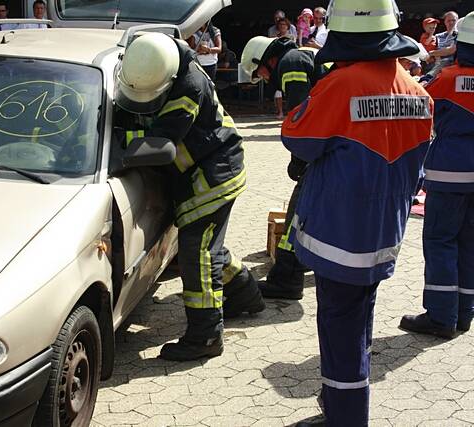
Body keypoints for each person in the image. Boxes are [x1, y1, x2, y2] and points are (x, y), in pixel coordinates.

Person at [279, 0, 433, 424]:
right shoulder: (419, 93)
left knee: (339, 332)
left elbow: (297, 138)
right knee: (358, 323)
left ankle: (345, 417)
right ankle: (343, 404)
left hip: (337, 237)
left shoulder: (340, 86)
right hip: (384, 237)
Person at [115, 32, 265, 361]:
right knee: (209, 248)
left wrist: (118, 148)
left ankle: (206, 336)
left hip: (213, 176)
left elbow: (160, 144)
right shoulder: (149, 59)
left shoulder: (188, 87)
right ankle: (246, 294)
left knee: (198, 255)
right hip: (207, 167)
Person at [400, 11, 474, 339]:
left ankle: (441, 317)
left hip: (448, 173)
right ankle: (464, 314)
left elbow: (412, 106)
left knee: (440, 239)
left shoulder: (444, 79)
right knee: (470, 241)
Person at [240, 35, 328, 300]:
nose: (264, 79)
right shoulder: (304, 54)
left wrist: (298, 159)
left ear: (268, 58)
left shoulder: (290, 63)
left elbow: (301, 114)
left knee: (298, 212)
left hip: (324, 147)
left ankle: (287, 279)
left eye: (260, 72)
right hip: (338, 142)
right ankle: (304, 261)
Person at [425, 11, 459, 76]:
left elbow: (451, 50)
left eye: (453, 20)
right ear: (445, 22)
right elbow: (430, 47)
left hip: (452, 65)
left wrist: (431, 53)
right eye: (448, 21)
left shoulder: (460, 35)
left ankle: (427, 79)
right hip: (436, 64)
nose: (451, 22)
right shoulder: (438, 36)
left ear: (457, 21)